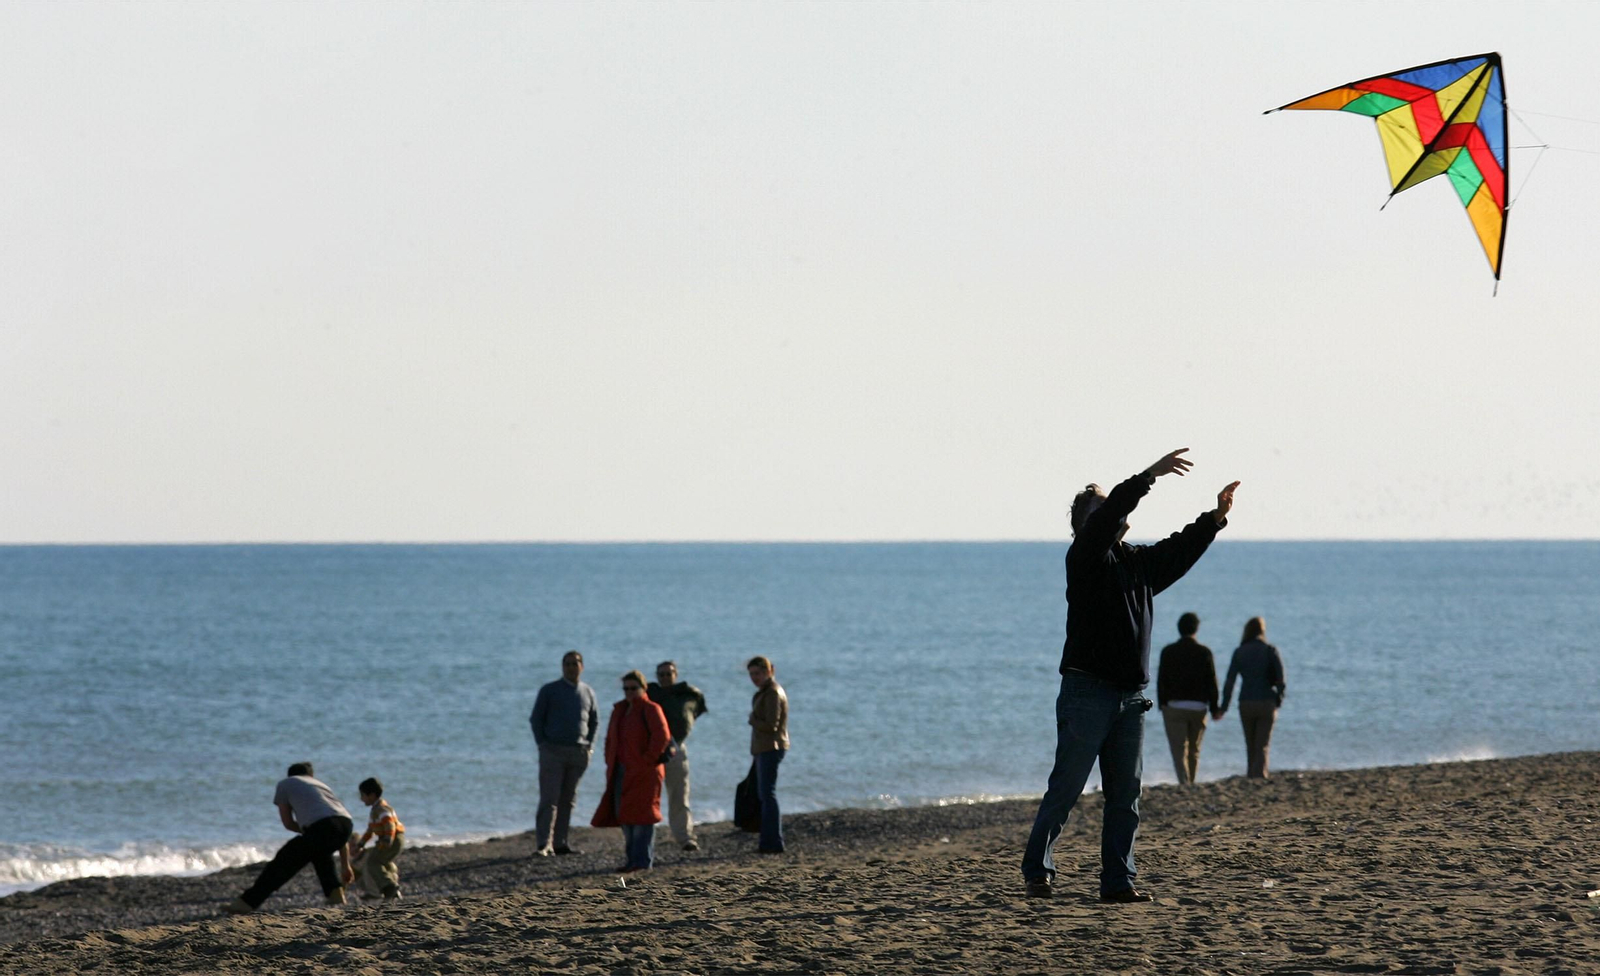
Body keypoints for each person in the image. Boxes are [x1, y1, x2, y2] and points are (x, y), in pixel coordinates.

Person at [1021, 448, 1238, 902]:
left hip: (1130, 699)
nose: (1111, 511)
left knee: (1126, 799)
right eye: (1101, 508)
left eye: (1111, 506)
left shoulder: (1137, 563)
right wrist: (1146, 478)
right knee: (1066, 787)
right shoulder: (1082, 559)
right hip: (1087, 691)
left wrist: (1214, 519)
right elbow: (1105, 520)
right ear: (1084, 525)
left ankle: (1118, 882)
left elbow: (1178, 552)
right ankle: (1038, 870)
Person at [225, 762, 355, 914]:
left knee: (283, 861)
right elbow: (336, 826)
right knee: (319, 852)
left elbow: (288, 822)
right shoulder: (320, 785)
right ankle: (335, 894)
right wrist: (346, 866)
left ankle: (247, 903)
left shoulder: (285, 784)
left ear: (290, 775)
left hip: (322, 827)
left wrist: (308, 831)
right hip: (346, 823)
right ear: (310, 775)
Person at [591, 669, 672, 872]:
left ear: (643, 688)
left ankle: (642, 862)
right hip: (622, 771)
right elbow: (611, 739)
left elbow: (662, 737)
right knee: (625, 815)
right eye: (626, 688)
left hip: (646, 772)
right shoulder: (620, 710)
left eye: (633, 688)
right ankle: (632, 861)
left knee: (644, 817)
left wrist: (647, 760)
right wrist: (609, 759)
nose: (629, 692)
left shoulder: (651, 709)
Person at [529, 650, 600, 857]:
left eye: (575, 663)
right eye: (567, 664)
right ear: (562, 667)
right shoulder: (549, 690)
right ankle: (544, 844)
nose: (571, 667)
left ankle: (560, 843)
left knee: (568, 800)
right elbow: (536, 719)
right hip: (553, 751)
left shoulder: (587, 692)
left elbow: (594, 721)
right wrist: (542, 745)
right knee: (549, 799)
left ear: (582, 667)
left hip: (578, 752)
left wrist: (590, 746)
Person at [647, 660, 709, 852]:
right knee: (648, 795)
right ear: (657, 676)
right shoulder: (650, 694)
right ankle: (645, 839)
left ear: (675, 674)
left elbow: (692, 712)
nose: (665, 677)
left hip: (676, 749)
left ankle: (685, 837)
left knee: (680, 795)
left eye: (669, 674)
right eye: (662, 674)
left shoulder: (686, 695)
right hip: (652, 751)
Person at [1156, 612, 1222, 786]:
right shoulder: (1204, 652)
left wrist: (1162, 703)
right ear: (1196, 629)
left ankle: (1184, 781)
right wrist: (1215, 708)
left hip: (1174, 705)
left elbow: (1161, 680)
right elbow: (1212, 681)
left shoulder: (1168, 652)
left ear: (1179, 629)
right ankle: (1192, 780)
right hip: (1199, 706)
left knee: (1178, 750)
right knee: (1194, 749)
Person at [1219, 616, 1286, 779]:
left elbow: (1230, 681)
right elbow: (1281, 679)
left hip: (1246, 701)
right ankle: (1260, 774)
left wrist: (1224, 706)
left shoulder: (1240, 651)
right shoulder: (1270, 650)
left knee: (1250, 743)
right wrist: (1279, 699)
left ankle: (1251, 774)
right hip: (1266, 701)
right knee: (1262, 744)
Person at [747, 655, 789, 854]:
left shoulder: (772, 693)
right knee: (764, 795)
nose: (755, 677)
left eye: (758, 673)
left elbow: (771, 725)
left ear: (769, 671)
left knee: (768, 795)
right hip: (765, 747)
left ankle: (772, 841)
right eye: (752, 674)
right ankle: (769, 840)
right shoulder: (765, 692)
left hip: (771, 747)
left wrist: (753, 721)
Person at [347, 776, 405, 902]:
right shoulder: (375, 811)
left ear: (372, 795)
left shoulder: (382, 809)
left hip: (393, 839)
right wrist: (361, 844)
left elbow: (389, 824)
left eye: (363, 795)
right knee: (380, 862)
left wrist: (388, 839)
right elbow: (370, 831)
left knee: (373, 862)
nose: (361, 799)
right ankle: (390, 886)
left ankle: (388, 887)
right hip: (388, 839)